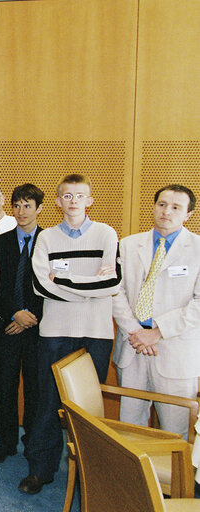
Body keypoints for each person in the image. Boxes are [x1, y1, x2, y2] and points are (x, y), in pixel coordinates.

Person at [19, 173, 121, 495]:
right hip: (55, 333)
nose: (73, 201)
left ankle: (89, 476)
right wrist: (89, 285)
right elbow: (39, 284)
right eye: (67, 196)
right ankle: (40, 470)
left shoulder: (107, 233)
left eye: (80, 196)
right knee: (47, 402)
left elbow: (113, 284)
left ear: (90, 200)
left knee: (89, 409)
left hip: (96, 333)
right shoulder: (46, 238)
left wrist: (63, 281)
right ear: (59, 200)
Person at [112, 184, 200, 440]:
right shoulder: (128, 245)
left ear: (188, 214)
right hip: (132, 345)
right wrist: (138, 331)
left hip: (175, 349)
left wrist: (158, 332)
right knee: (130, 426)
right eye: (162, 205)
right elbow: (116, 292)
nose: (166, 212)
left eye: (176, 207)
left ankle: (171, 481)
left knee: (175, 430)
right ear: (153, 207)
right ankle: (133, 480)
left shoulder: (197, 248)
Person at [0, 184, 45, 464]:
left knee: (35, 389)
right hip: (6, 328)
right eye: (17, 206)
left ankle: (32, 441)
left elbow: (56, 286)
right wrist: (14, 314)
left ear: (39, 209)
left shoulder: (51, 242)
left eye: (28, 206)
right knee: (4, 388)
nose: (22, 212)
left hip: (39, 330)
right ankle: (7, 441)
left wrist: (29, 316)